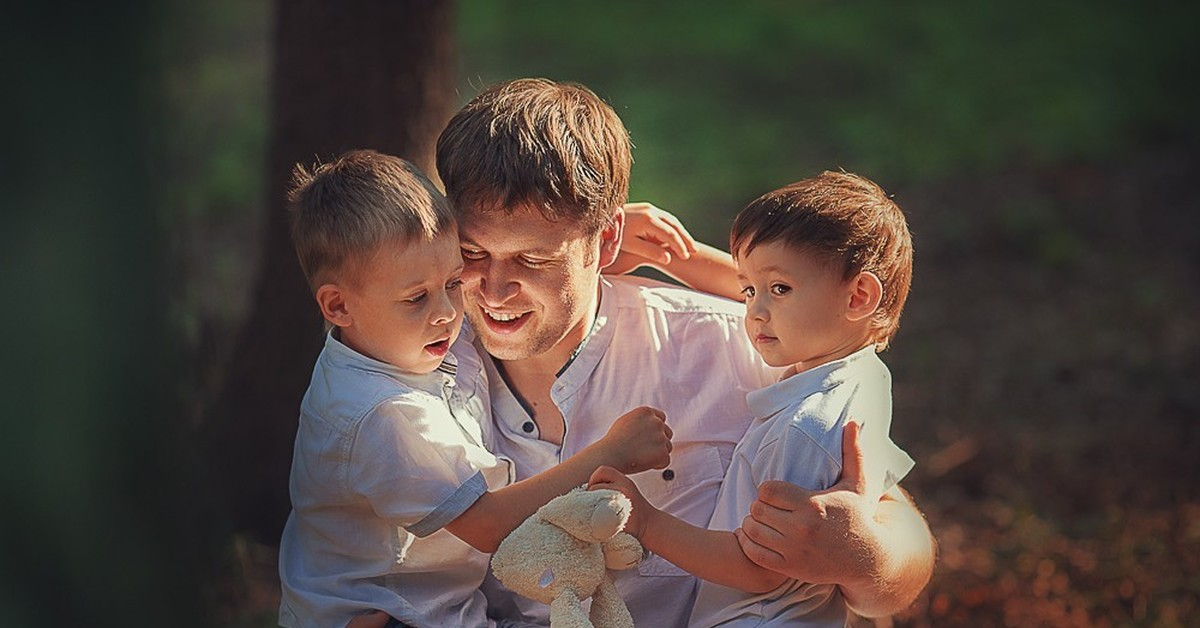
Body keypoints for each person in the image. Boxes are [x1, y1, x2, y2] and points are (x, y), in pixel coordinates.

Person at [433, 77, 935, 627]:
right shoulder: (413, 369)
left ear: (605, 241)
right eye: (472, 252)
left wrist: (868, 557)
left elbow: (891, 531)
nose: (495, 290)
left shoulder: (741, 347)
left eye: (532, 260)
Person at [275, 149, 673, 628]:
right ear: (337, 306)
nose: (447, 311)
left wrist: (587, 238)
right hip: (391, 617)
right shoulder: (386, 413)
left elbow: (750, 283)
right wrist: (611, 452)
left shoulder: (377, 334)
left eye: (453, 281)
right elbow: (485, 524)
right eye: (417, 298)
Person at [590, 171, 917, 626]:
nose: (755, 311)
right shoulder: (860, 374)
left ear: (859, 295)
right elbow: (778, 284)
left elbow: (759, 568)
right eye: (749, 291)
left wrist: (646, 521)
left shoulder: (806, 427)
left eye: (778, 290)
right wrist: (670, 256)